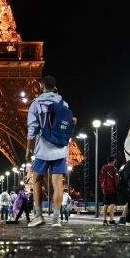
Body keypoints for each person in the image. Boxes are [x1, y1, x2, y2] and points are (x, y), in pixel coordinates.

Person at [26, 75, 74, 227]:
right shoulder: (63, 103)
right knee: (58, 182)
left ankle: (38, 215)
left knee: (37, 179)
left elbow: (32, 129)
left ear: (41, 86)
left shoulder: (35, 104)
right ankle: (56, 219)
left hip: (42, 148)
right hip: (60, 148)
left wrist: (28, 148)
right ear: (55, 86)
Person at [99, 155, 119, 225]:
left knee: (105, 205)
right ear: (113, 161)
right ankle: (111, 220)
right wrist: (117, 188)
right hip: (112, 189)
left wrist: (103, 186)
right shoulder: (114, 169)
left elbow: (100, 178)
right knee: (112, 205)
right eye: (114, 161)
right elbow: (116, 180)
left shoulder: (103, 168)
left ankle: (104, 220)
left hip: (105, 189)